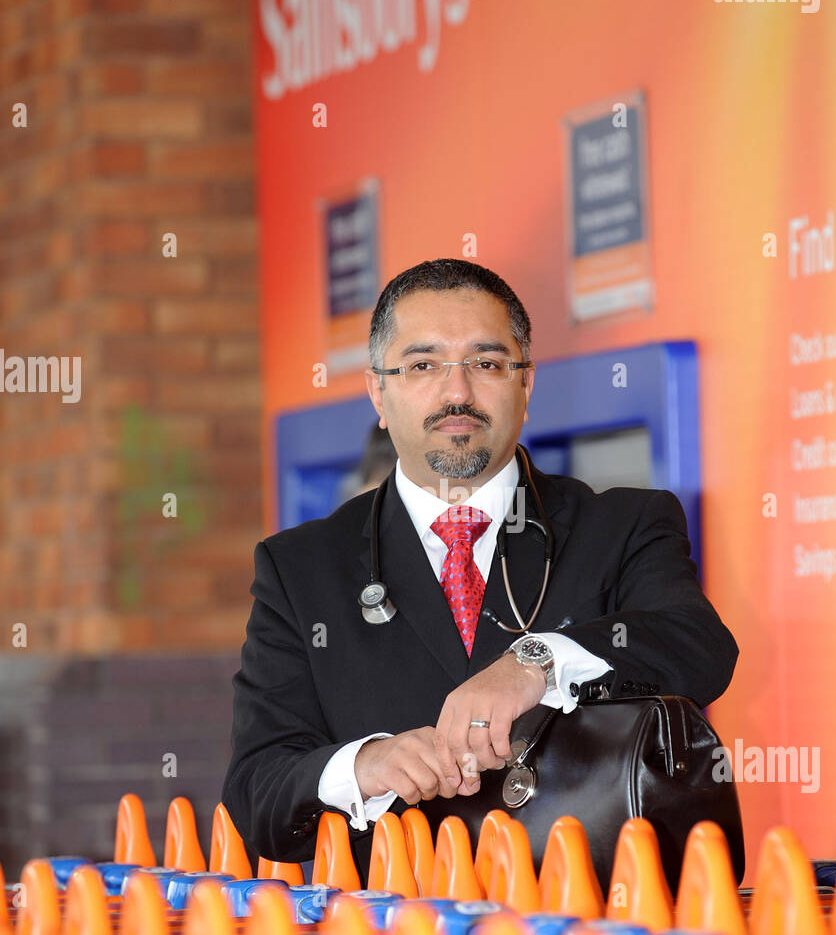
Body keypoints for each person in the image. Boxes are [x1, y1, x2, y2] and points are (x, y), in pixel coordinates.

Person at [222, 258, 739, 884]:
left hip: (596, 934)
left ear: (525, 385)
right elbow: (256, 795)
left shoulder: (623, 525)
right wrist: (363, 766)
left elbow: (699, 646)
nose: (457, 392)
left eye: (487, 363)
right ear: (377, 393)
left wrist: (536, 662)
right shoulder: (300, 569)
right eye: (422, 366)